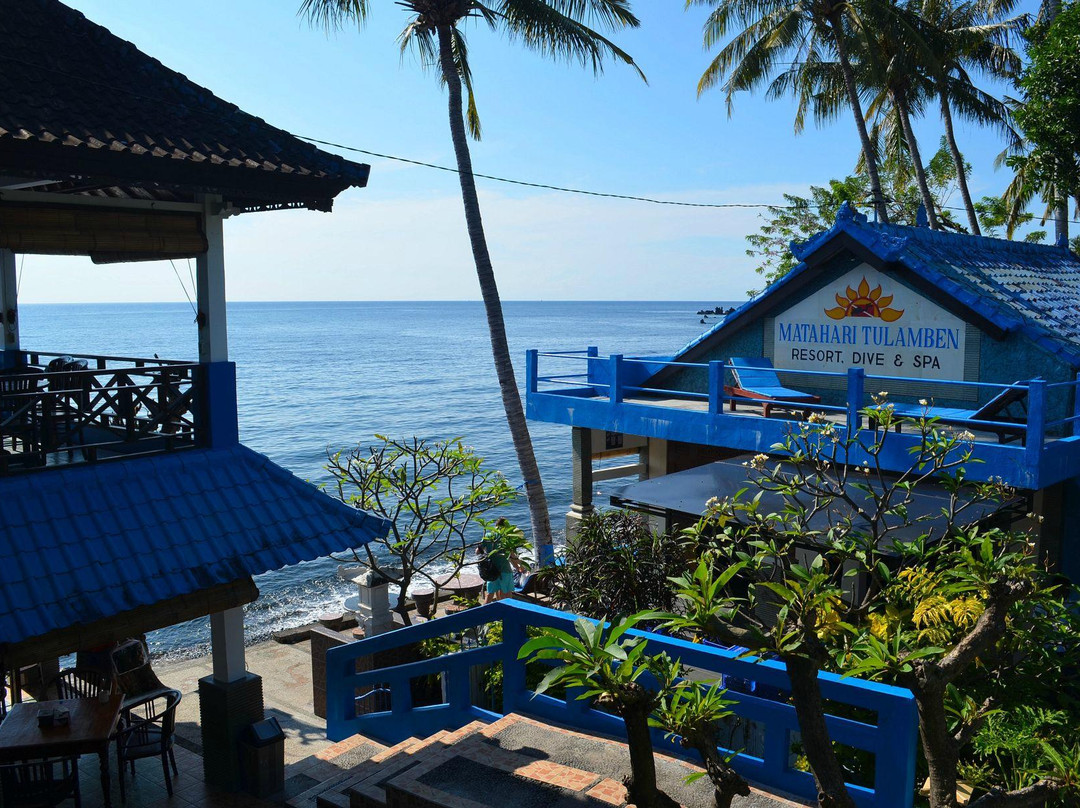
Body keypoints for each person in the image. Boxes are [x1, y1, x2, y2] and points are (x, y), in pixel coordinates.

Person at [479, 517, 528, 604]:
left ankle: (483, 614)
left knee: (490, 594)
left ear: (496, 526)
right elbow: (512, 556)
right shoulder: (505, 538)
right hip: (505, 570)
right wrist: (520, 567)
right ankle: (508, 613)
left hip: (491, 570)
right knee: (507, 595)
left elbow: (477, 551)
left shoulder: (488, 536)